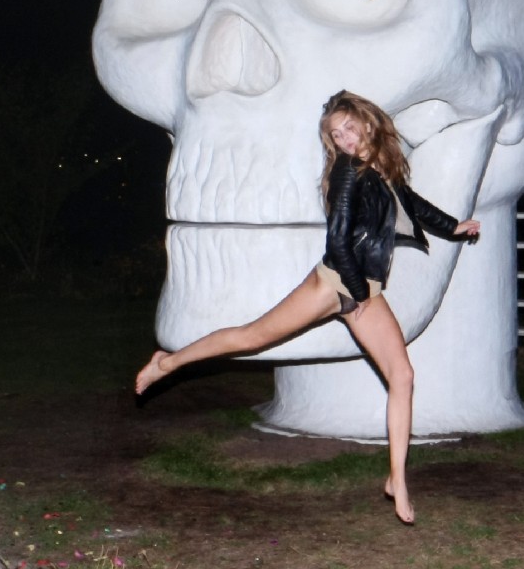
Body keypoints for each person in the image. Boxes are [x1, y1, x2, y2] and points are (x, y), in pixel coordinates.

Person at [134, 90, 481, 524]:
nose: (344, 139)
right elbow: (337, 240)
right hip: (335, 283)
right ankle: (166, 363)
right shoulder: (348, 173)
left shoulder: (381, 167)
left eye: (348, 129)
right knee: (251, 337)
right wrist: (357, 292)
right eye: (336, 135)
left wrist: (454, 226)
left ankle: (397, 479)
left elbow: (410, 203)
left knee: (403, 377)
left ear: (367, 123)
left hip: (363, 291)